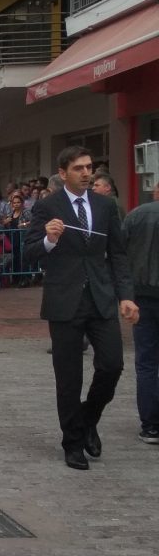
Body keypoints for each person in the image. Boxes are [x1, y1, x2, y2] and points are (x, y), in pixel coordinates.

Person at [25, 146, 138, 470]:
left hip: (100, 297)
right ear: (63, 173)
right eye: (79, 168)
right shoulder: (48, 206)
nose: (87, 173)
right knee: (69, 377)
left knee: (112, 364)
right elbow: (31, 251)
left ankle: (88, 418)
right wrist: (49, 240)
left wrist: (125, 296)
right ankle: (72, 442)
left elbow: (117, 254)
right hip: (64, 300)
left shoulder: (105, 205)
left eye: (89, 167)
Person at [121, 182, 159, 444]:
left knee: (146, 362)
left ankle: (151, 425)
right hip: (144, 293)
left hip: (142, 296)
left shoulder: (136, 215)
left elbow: (119, 253)